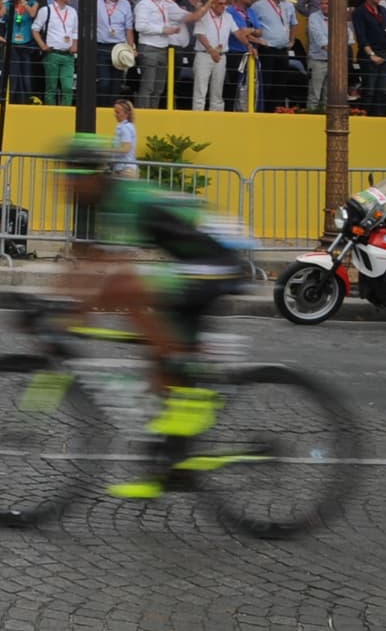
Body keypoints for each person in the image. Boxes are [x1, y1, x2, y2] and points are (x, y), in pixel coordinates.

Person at [58, 133, 248, 502]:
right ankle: (166, 467)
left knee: (132, 297)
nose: (64, 185)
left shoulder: (124, 198)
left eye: (70, 177)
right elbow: (90, 262)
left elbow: (117, 277)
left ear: (91, 177)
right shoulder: (106, 201)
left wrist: (73, 315)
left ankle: (189, 386)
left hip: (218, 262)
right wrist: (52, 304)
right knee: (159, 356)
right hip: (197, 262)